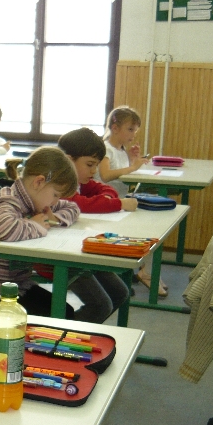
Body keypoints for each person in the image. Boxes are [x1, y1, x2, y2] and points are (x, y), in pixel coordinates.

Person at [0, 147, 80, 314]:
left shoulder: (32, 201)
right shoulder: (8, 199)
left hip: (11, 285)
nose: (55, 202)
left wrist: (53, 217)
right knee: (60, 314)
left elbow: (72, 208)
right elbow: (5, 229)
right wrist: (36, 225)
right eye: (55, 195)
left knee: (64, 311)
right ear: (39, 182)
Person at [57, 127, 134, 323]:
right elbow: (79, 203)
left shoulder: (79, 180)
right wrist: (117, 204)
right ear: (68, 160)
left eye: (97, 165)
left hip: (77, 248)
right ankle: (62, 335)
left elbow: (105, 189)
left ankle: (77, 333)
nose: (94, 171)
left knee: (120, 293)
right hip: (57, 256)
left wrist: (108, 198)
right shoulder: (58, 182)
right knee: (100, 305)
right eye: (90, 164)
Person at [98, 106, 166, 296]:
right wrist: (133, 167)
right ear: (115, 128)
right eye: (130, 129)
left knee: (154, 223)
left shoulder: (120, 149)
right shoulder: (105, 148)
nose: (133, 134)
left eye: (135, 130)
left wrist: (131, 158)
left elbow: (121, 173)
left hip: (120, 202)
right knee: (143, 226)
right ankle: (143, 273)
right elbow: (106, 175)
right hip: (106, 203)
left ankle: (145, 271)